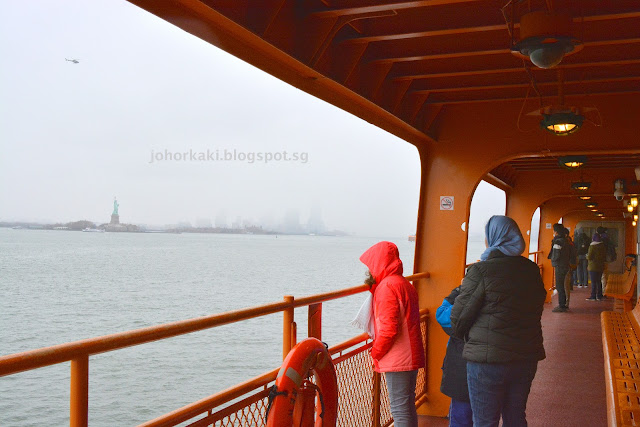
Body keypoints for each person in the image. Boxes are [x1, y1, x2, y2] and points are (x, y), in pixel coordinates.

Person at [450, 215, 546, 427]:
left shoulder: (481, 271)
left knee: (485, 421)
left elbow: (458, 319)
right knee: (516, 418)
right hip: (525, 357)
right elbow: (538, 305)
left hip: (487, 362)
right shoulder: (531, 269)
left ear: (492, 238)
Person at [360, 241, 425, 427]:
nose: (369, 271)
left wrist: (376, 352)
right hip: (409, 354)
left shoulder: (386, 287)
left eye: (370, 265)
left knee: (399, 409)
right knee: (406, 406)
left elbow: (389, 329)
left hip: (398, 358)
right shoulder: (403, 283)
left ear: (378, 263)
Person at [436, 286, 472, 427]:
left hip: (463, 365)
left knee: (461, 415)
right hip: (503, 362)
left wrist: (458, 291)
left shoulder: (468, 298)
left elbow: (442, 316)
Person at [547, 223, 572, 312]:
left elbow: (556, 255)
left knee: (559, 286)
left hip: (560, 266)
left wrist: (553, 261)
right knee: (562, 286)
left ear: (556, 232)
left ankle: (562, 306)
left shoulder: (558, 241)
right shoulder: (566, 240)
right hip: (565, 265)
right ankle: (564, 304)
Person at [587, 233, 607, 301]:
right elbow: (604, 256)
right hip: (600, 266)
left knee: (593, 282)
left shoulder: (592, 246)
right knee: (599, 281)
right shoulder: (602, 246)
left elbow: (589, 256)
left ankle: (593, 296)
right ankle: (599, 295)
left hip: (593, 266)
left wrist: (586, 256)